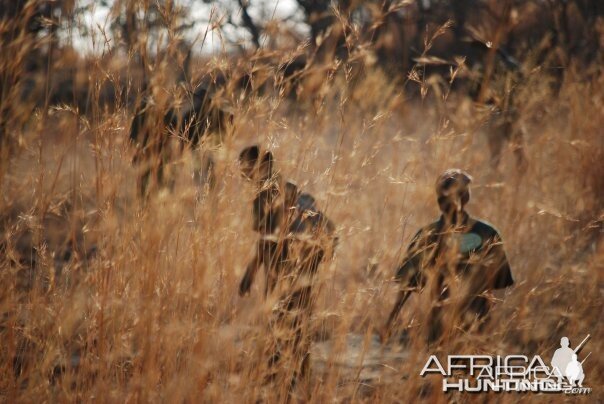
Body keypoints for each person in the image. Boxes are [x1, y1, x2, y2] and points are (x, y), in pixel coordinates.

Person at [237, 145, 336, 394]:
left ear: (260, 165)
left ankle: (276, 378)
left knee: (277, 322)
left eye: (245, 165)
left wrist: (250, 273)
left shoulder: (264, 195)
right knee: (300, 321)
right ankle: (302, 377)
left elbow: (265, 239)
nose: (241, 172)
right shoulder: (289, 185)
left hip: (282, 267)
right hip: (304, 265)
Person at [383, 169, 514, 344]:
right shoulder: (488, 233)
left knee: (438, 369)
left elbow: (408, 284)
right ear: (467, 198)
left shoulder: (428, 234)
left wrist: (391, 319)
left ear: (438, 202)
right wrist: (494, 322)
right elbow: (500, 284)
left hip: (439, 325)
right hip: (478, 323)